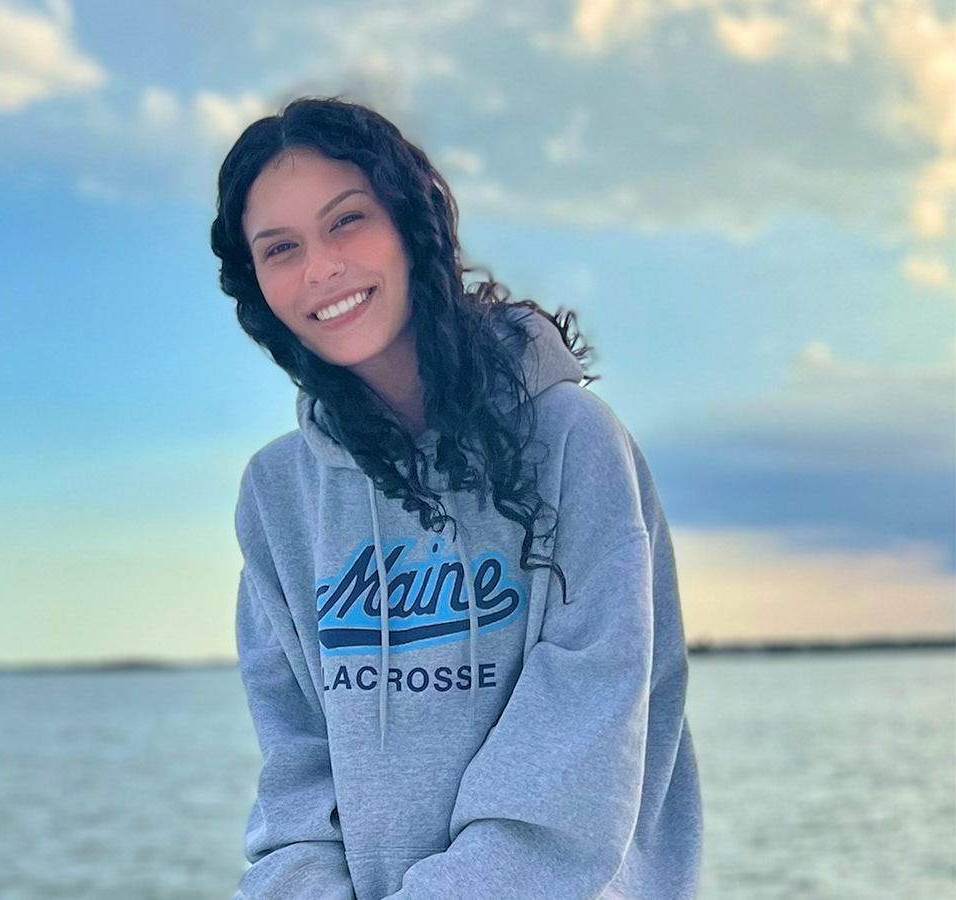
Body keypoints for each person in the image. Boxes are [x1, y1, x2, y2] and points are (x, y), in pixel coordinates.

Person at [210, 97, 702, 900]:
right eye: (280, 248)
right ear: (257, 285)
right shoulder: (278, 496)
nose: (321, 268)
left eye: (347, 221)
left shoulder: (573, 440)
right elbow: (297, 778)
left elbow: (578, 754)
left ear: (411, 225)